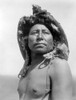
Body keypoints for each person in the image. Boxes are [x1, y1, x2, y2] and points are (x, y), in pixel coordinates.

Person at [17, 5, 73, 100]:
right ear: (26, 40)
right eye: (34, 32)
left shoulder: (58, 65)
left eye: (45, 33)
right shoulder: (27, 68)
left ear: (54, 41)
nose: (40, 37)